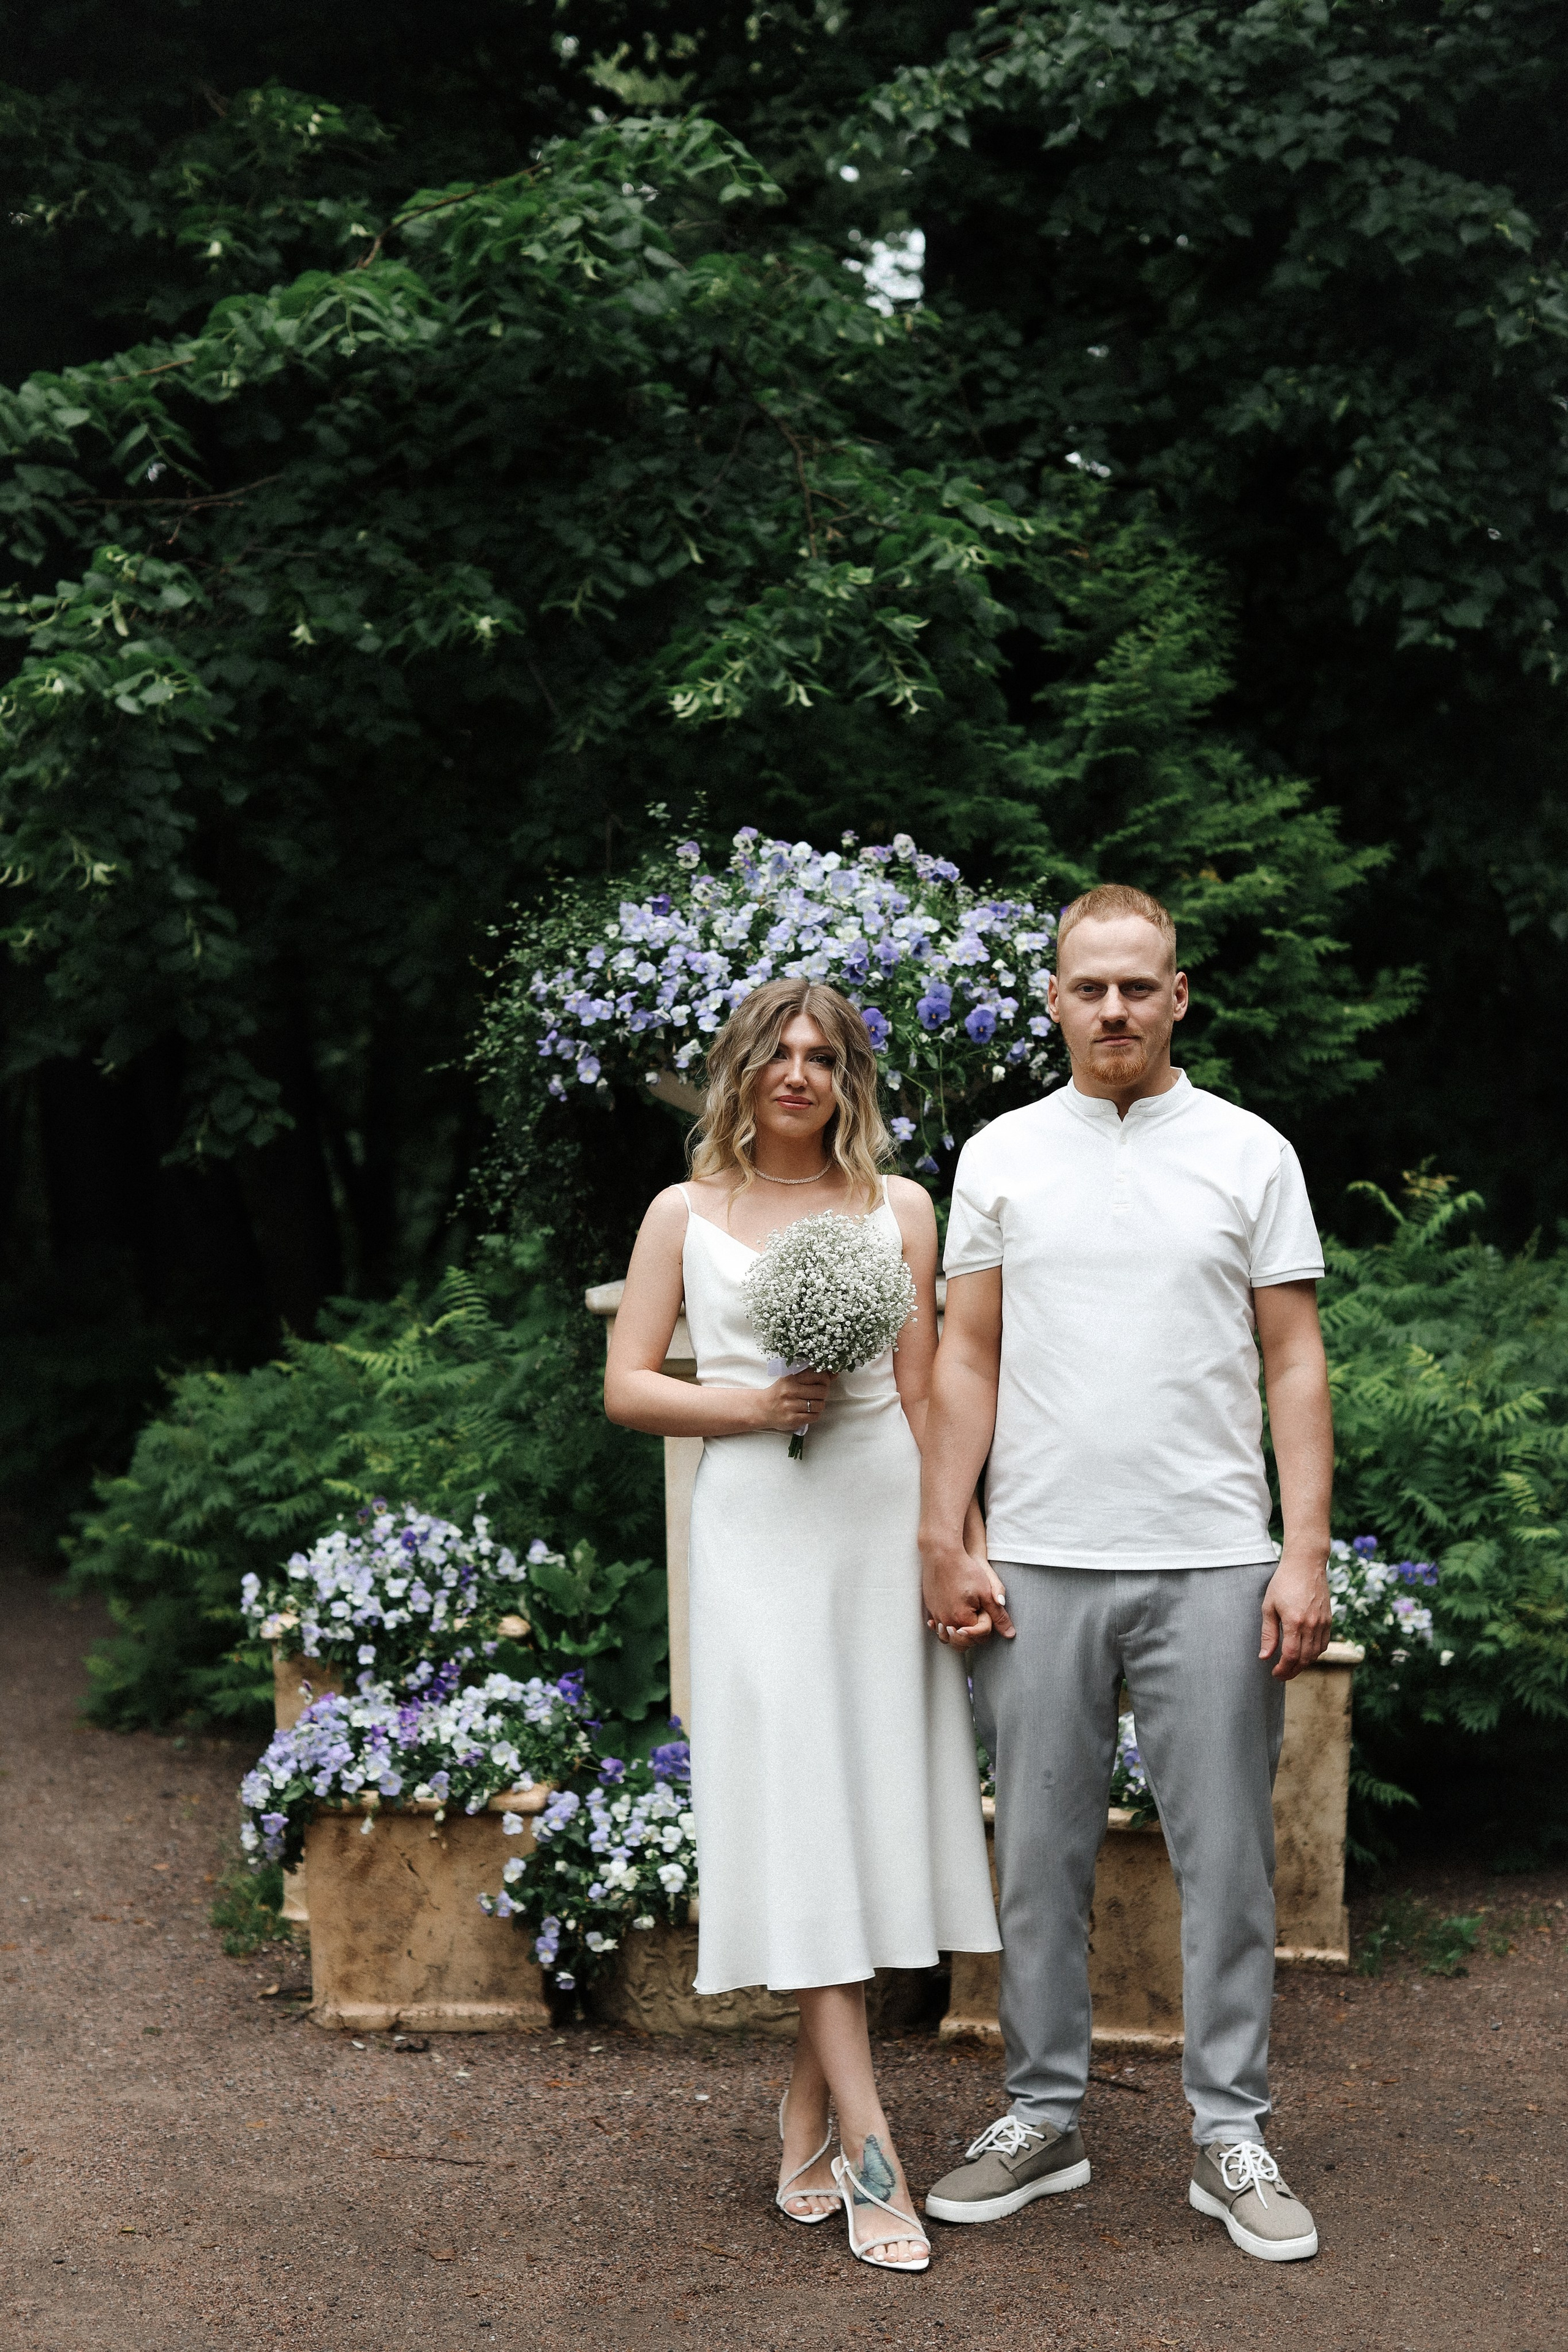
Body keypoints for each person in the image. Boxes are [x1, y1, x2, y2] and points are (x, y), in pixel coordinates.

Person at [918, 883, 1332, 2265]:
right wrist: (945, 1530)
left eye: (1135, 986)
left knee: (1224, 1870)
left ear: (1177, 994)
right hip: (1033, 1562)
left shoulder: (1248, 1153)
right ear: (1051, 998)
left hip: (1213, 1556)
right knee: (1034, 1862)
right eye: (1086, 986)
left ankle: (1228, 2134)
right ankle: (1041, 2117)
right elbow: (964, 1357)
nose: (1111, 1009)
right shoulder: (999, 1156)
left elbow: (1291, 1360)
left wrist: (1301, 1548)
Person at [605, 977, 1000, 2275]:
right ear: (739, 1072)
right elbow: (626, 1385)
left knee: (863, 1812)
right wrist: (750, 1410)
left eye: (821, 1057)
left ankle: (801, 2118)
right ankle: (873, 2145)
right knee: (797, 1808)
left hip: (876, 1525)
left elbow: (927, 1381)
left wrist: (957, 1544)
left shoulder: (899, 1208)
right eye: (775, 1054)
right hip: (757, 1536)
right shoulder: (684, 1212)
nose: (797, 1075)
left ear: (846, 1080)